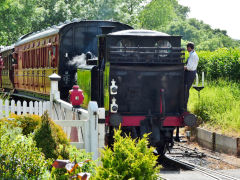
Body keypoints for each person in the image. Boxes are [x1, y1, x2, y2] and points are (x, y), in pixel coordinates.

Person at [184, 42, 199, 110]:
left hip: (190, 73)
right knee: (185, 89)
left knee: (186, 89)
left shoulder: (193, 55)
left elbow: (189, 67)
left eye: (187, 47)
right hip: (190, 73)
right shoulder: (192, 54)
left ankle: (184, 105)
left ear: (190, 48)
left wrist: (181, 67)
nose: (187, 49)